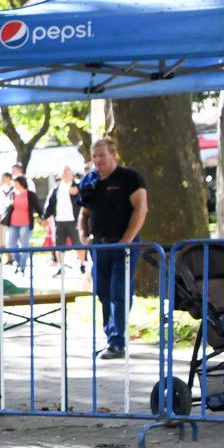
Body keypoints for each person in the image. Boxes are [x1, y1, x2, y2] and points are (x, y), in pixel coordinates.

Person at [78, 137, 148, 360]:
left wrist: (127, 239)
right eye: (94, 156)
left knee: (120, 291)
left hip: (123, 244)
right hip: (99, 245)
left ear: (113, 155)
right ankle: (111, 338)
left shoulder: (130, 178)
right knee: (103, 292)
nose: (97, 160)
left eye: (102, 155)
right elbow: (84, 213)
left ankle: (118, 341)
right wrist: (83, 235)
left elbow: (141, 209)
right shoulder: (90, 181)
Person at [49, 166, 82, 269]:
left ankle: (82, 264)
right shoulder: (56, 188)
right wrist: (45, 216)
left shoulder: (77, 185)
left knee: (78, 243)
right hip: (59, 220)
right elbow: (51, 203)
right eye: (64, 172)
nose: (66, 174)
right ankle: (60, 266)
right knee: (59, 245)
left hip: (73, 220)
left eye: (68, 171)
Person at [2, 173, 36, 274]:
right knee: (10, 245)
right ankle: (19, 261)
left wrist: (43, 218)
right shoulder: (13, 193)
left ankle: (22, 266)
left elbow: (37, 206)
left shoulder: (30, 194)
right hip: (13, 222)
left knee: (24, 245)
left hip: (25, 222)